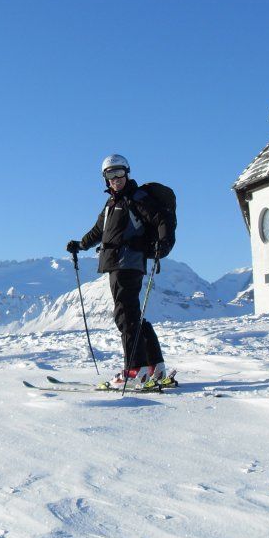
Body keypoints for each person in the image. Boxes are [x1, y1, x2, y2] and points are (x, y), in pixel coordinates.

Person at [66, 154, 174, 388]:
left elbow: (160, 219)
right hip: (116, 262)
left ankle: (135, 369)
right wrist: (81, 245)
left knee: (125, 315)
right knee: (133, 316)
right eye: (110, 175)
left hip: (129, 261)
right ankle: (155, 366)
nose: (115, 179)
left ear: (127, 173)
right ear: (105, 179)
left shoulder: (137, 198)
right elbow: (98, 231)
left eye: (119, 174)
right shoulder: (111, 204)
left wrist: (163, 244)